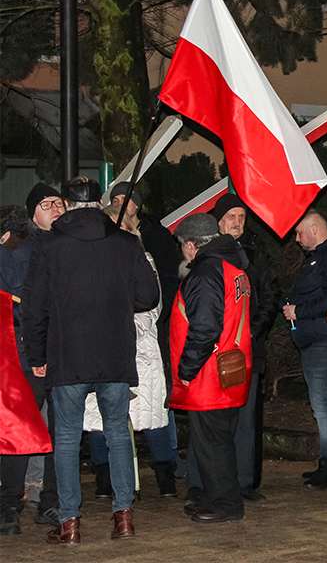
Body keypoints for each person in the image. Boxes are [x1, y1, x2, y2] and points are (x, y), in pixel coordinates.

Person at [21, 198, 160, 545]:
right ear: (99, 204)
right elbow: (149, 295)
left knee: (66, 438)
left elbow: (34, 307)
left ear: (67, 206)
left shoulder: (48, 245)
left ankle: (69, 522)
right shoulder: (126, 242)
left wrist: (37, 353)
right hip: (114, 352)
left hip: (68, 354)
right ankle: (124, 516)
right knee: (117, 434)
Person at [82, 205, 178, 499]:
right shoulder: (87, 261)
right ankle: (105, 476)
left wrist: (122, 329)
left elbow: (152, 306)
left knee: (151, 416)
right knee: (98, 417)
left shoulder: (143, 259)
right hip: (100, 349)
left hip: (139, 348)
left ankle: (165, 477)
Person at [170, 213, 252, 524]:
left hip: (209, 374)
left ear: (191, 245)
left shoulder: (205, 272)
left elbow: (204, 328)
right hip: (231, 368)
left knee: (212, 442)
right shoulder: (234, 268)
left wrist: (186, 369)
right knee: (219, 438)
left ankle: (225, 504)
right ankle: (215, 495)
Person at [0, 190, 63, 536]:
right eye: (46, 204)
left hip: (63, 354)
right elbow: (12, 305)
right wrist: (34, 349)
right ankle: (9, 503)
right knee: (19, 432)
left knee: (61, 432)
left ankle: (50, 501)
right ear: (32, 213)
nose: (55, 209)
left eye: (59, 203)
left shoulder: (70, 245)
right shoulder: (14, 249)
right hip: (26, 357)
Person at [282, 210, 327, 490]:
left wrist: (299, 311)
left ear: (313, 229)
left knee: (322, 405)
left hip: (324, 339)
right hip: (324, 338)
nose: (296, 239)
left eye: (299, 233)